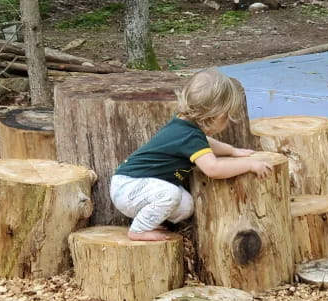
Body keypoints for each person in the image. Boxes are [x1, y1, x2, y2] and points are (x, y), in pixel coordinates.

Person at [110, 68, 272, 241]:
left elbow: (206, 143)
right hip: (129, 187)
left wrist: (232, 151)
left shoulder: (185, 126)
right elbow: (213, 168)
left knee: (186, 206)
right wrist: (249, 165)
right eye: (228, 117)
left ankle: (148, 219)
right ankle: (138, 230)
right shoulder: (189, 135)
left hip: (135, 187)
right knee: (170, 194)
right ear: (219, 116)